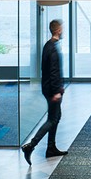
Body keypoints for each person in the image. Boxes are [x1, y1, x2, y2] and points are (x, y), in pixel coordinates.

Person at [22, 19, 67, 163]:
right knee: (53, 119)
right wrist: (56, 91)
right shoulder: (52, 48)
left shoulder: (48, 45)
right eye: (62, 28)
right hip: (52, 90)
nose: (63, 31)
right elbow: (53, 71)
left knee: (56, 117)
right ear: (58, 30)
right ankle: (30, 145)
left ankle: (51, 148)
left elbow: (46, 69)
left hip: (49, 88)